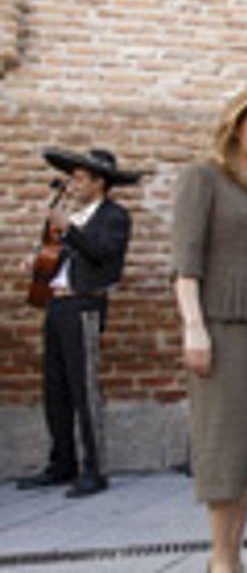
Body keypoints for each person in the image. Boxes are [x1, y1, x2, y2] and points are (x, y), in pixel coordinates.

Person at [171, 91, 247, 573]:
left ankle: (233, 554)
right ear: (236, 127)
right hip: (221, 326)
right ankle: (222, 563)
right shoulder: (204, 178)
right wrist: (194, 327)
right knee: (224, 449)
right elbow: (186, 262)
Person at [17, 148, 139, 498]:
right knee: (55, 390)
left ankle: (95, 470)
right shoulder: (72, 215)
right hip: (56, 306)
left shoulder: (114, 216)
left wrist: (67, 228)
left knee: (84, 388)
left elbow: (102, 253)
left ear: (100, 183)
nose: (72, 183)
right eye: (72, 177)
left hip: (85, 305)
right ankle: (62, 463)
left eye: (80, 178)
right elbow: (58, 255)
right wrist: (37, 261)